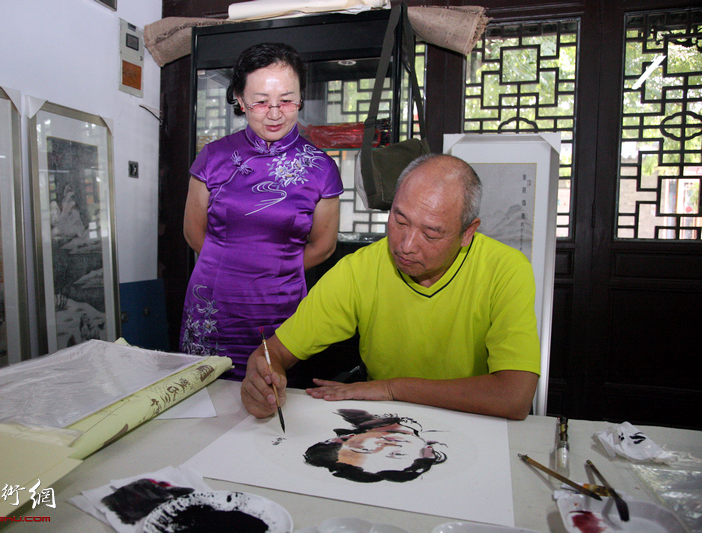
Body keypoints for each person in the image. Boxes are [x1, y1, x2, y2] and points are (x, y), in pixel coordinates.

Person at [241, 153, 541, 420]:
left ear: (468, 233)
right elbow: (274, 353)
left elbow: (513, 397)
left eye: (431, 234)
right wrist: (263, 378)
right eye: (399, 220)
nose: (406, 246)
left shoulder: (505, 270)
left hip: (471, 421)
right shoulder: (360, 269)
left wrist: (392, 388)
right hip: (384, 423)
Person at [181, 42, 343, 379]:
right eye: (260, 101)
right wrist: (233, 266)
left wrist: (277, 269)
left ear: (301, 97)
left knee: (273, 399)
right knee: (207, 402)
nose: (274, 113)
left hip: (279, 307)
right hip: (213, 303)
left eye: (286, 100)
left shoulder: (321, 168)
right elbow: (193, 232)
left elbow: (323, 245)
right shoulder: (213, 157)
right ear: (239, 100)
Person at [304, 409, 447, 483]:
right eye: (396, 454)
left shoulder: (357, 414)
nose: (384, 447)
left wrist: (391, 389)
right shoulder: (442, 431)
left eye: (364, 449)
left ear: (347, 438)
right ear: (428, 453)